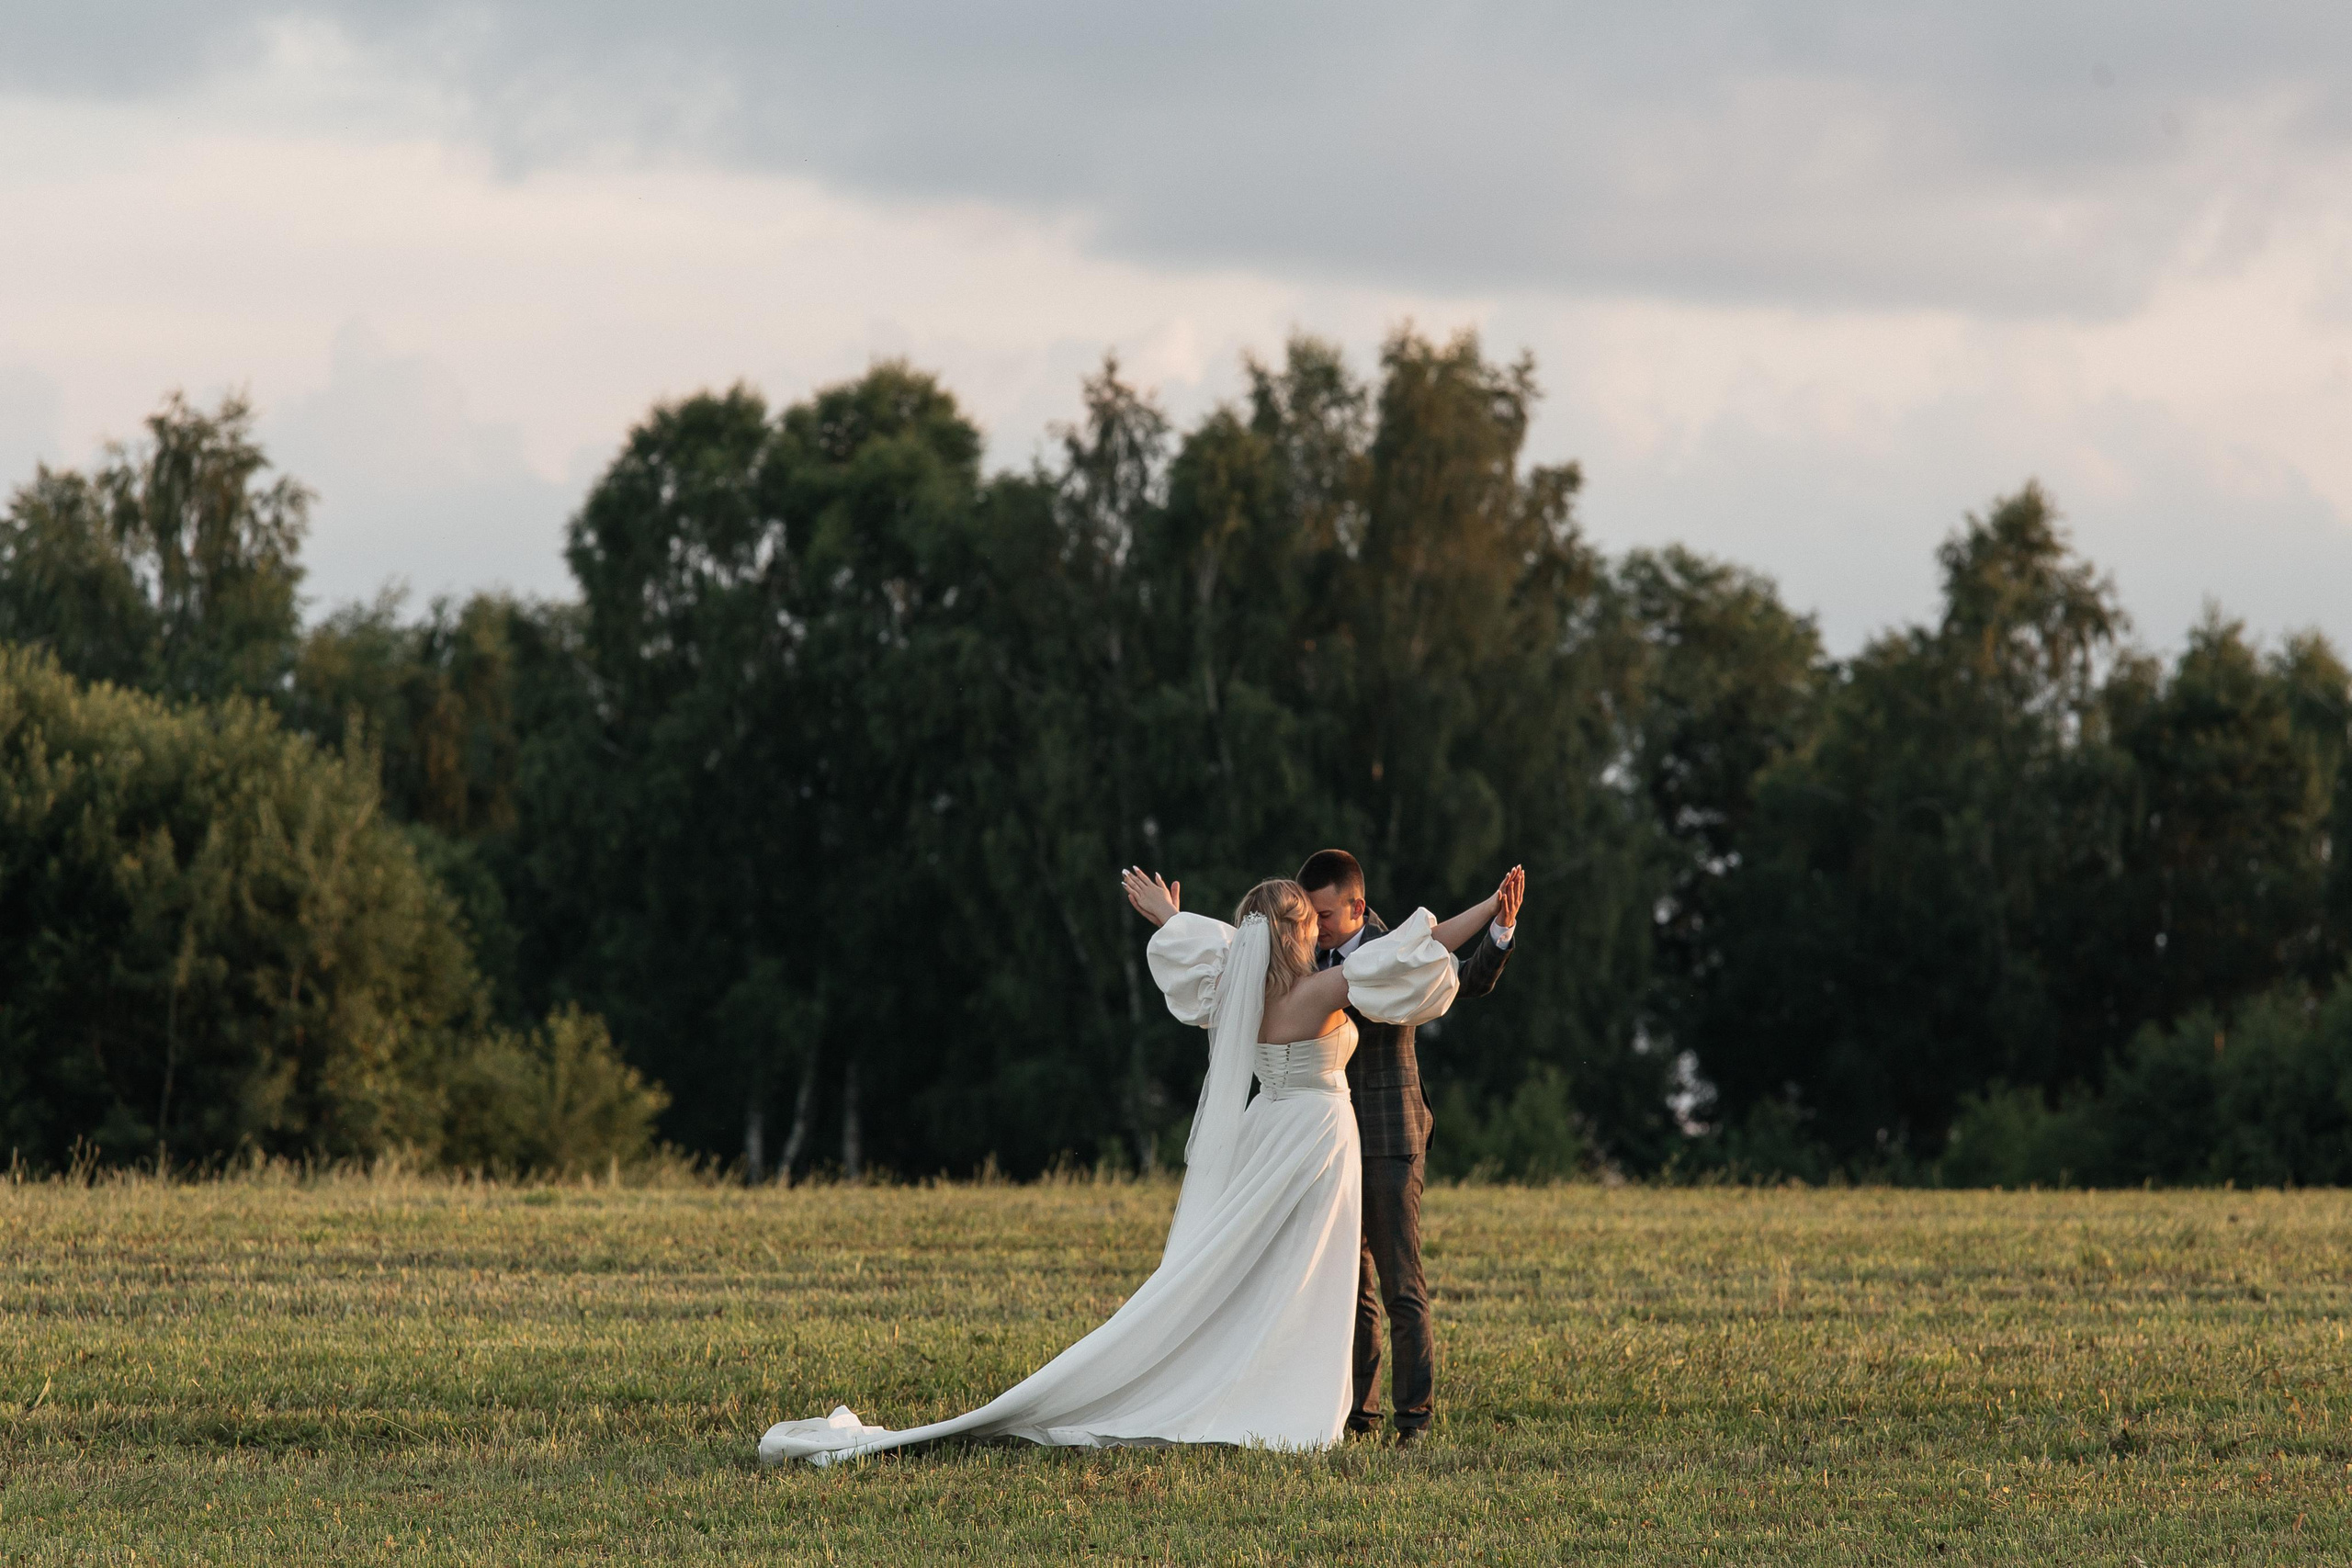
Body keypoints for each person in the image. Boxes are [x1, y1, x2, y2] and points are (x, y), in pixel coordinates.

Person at [757, 871, 1510, 1464]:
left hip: (1273, 1133)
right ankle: (1300, 1400)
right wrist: (1487, 908)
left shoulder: (1240, 988)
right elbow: (1418, 945)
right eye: (1308, 921)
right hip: (1313, 1139)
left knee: (1273, 1272)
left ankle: (1312, 1393)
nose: (1320, 929)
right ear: (1294, 935)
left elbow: (1212, 944)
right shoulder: (1317, 993)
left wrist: (1167, 916)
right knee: (1309, 1275)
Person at [1297, 850, 1524, 1447]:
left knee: (1401, 1283)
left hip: (1392, 1134)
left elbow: (1465, 978)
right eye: (1308, 915)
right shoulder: (1302, 955)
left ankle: (1414, 1420)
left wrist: (1500, 928)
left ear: (1357, 906)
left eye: (1323, 915)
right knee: (1349, 1284)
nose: (1315, 927)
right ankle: (1358, 1416)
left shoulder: (1395, 948)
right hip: (1328, 1140)